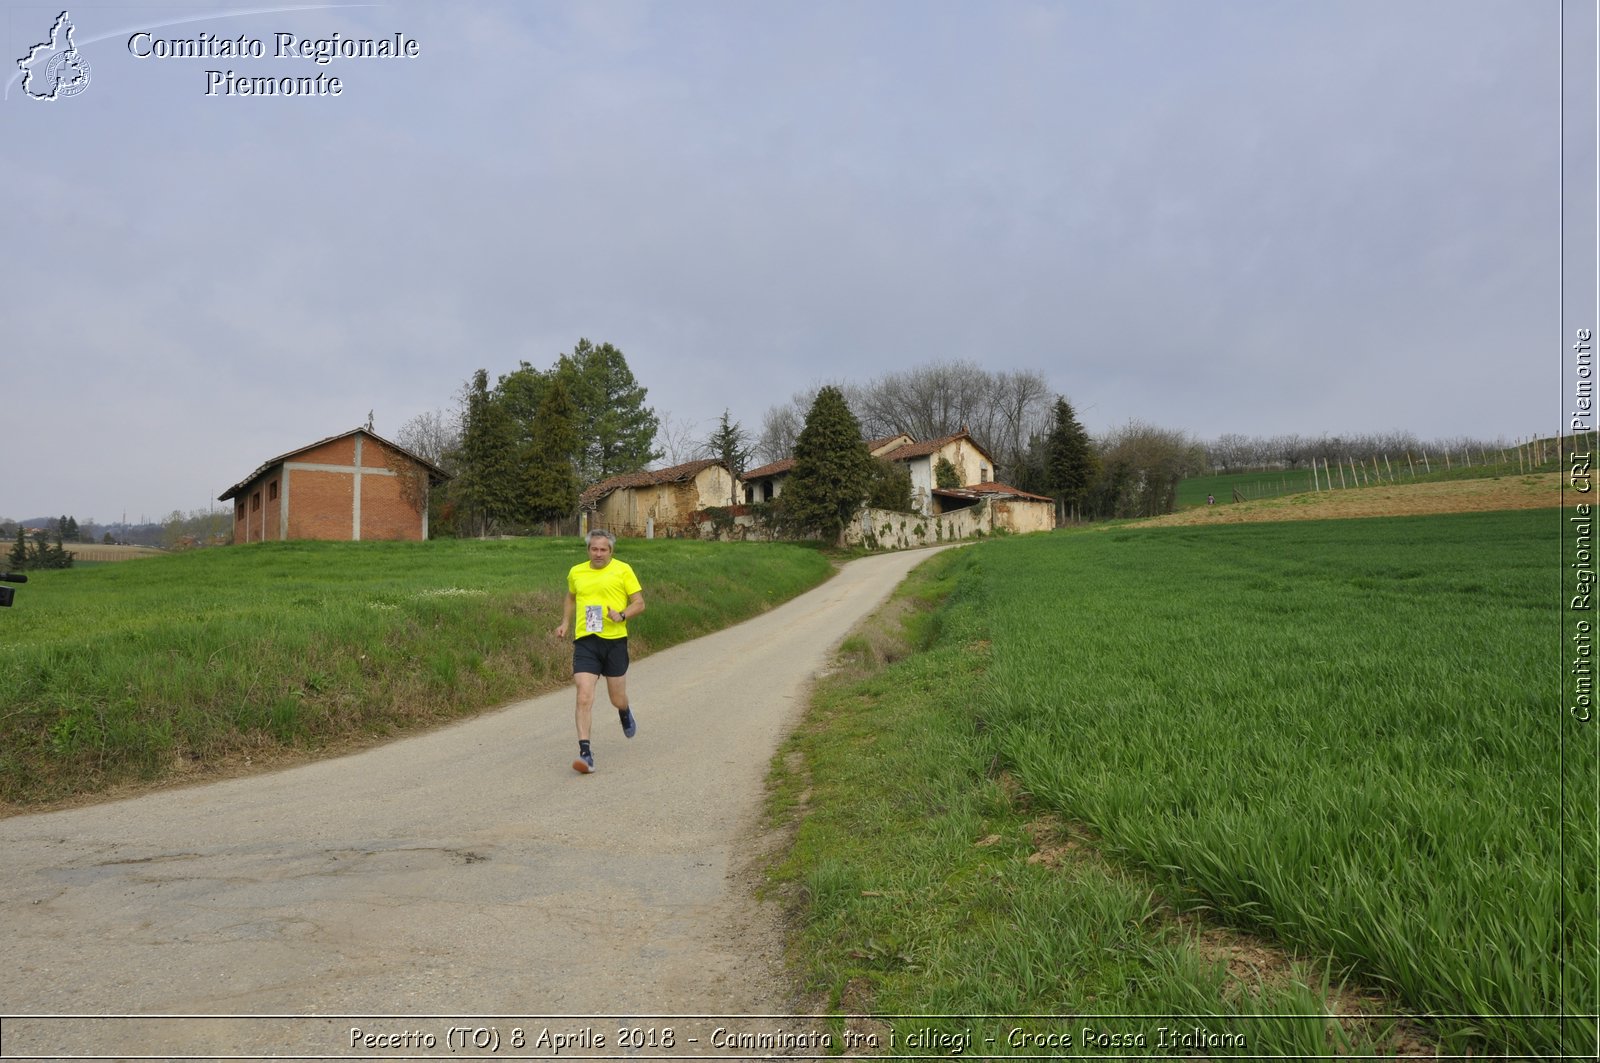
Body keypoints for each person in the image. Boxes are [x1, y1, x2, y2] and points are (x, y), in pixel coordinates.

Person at [554, 529, 644, 774]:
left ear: (611, 551)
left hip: (614, 641)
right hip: (586, 641)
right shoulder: (576, 572)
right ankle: (585, 753)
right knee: (584, 694)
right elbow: (571, 597)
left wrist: (622, 614)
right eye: (594, 549)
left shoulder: (623, 570)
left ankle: (624, 711)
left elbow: (639, 602)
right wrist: (565, 623)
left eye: (603, 549)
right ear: (588, 550)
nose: (598, 553)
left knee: (617, 698)